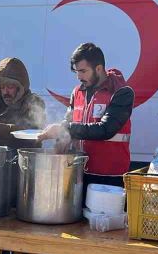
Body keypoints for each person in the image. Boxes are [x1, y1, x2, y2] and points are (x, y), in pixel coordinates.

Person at [39, 43, 134, 188]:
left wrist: (65, 129)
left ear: (99, 68)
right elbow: (69, 121)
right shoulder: (77, 92)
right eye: (77, 72)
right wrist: (62, 140)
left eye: (83, 71)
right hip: (79, 172)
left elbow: (106, 129)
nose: (79, 77)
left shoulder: (122, 92)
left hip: (110, 175)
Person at [0, 57, 46, 149]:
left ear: (20, 87)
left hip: (24, 158)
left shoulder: (34, 103)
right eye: (2, 87)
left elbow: (30, 131)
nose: (5, 92)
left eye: (10, 87)